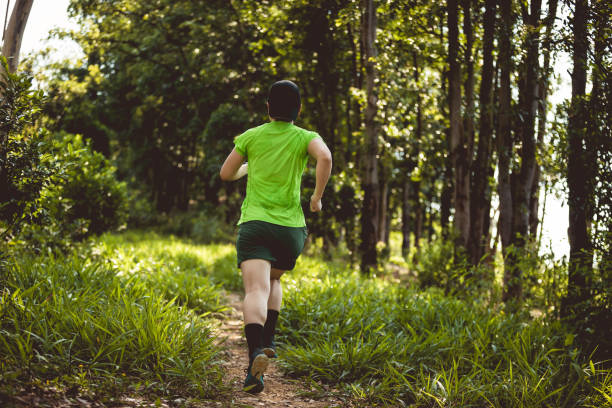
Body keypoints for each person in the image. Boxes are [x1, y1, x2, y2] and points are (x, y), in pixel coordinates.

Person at [219, 80, 332, 394]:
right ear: (298, 109)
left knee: (256, 288)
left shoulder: (251, 137)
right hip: (290, 229)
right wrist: (316, 198)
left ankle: (255, 353)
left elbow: (226, 173)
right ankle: (268, 341)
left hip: (256, 224)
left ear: (268, 106)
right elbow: (325, 158)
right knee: (275, 281)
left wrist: (245, 168)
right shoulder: (305, 137)